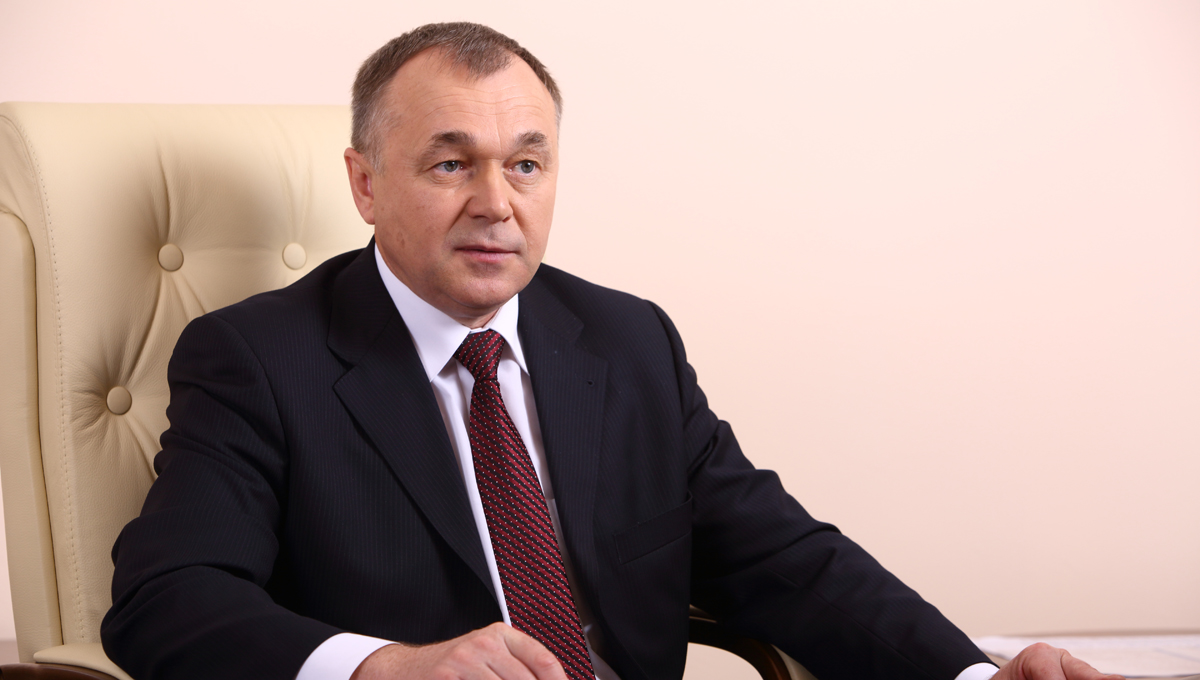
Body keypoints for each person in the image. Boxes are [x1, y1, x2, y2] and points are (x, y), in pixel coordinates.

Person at [101, 22, 1122, 680]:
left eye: (526, 164)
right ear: (365, 183)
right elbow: (165, 601)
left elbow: (783, 558)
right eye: (450, 164)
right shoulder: (257, 359)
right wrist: (385, 667)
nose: (496, 203)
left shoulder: (627, 340)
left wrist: (974, 674)